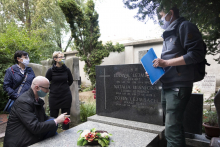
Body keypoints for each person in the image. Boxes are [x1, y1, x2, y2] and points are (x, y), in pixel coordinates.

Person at [145, 6, 205, 147]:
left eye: (162, 16)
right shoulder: (169, 34)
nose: (161, 20)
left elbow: (197, 54)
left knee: (171, 130)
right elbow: (170, 63)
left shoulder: (185, 26)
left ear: (170, 14)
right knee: (174, 126)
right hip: (168, 85)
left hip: (178, 86)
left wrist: (165, 62)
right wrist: (155, 71)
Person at [4, 76, 70, 147]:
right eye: (46, 88)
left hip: (30, 135)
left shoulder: (37, 100)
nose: (48, 91)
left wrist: (61, 119)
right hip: (19, 142)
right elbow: (35, 127)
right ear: (37, 87)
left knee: (54, 129)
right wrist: (56, 121)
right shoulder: (23, 102)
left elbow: (44, 118)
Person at [45, 51, 73, 130]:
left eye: (63, 57)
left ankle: (66, 132)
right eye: (60, 57)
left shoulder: (67, 70)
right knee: (53, 116)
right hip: (54, 96)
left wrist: (64, 88)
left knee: (66, 116)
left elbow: (70, 81)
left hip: (66, 96)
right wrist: (53, 89)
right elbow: (46, 82)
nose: (62, 58)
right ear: (55, 59)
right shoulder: (50, 70)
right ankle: (53, 132)